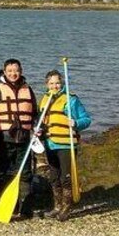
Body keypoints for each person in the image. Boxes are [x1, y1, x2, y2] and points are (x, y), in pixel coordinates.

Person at [0, 58, 38, 219]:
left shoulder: (27, 89)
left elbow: (34, 112)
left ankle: (25, 210)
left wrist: (36, 126)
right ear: (4, 71)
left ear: (20, 71)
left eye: (16, 70)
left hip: (24, 138)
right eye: (10, 71)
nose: (13, 74)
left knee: (25, 173)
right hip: (3, 138)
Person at [37, 69, 91, 221]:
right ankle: (57, 206)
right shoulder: (45, 99)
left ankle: (66, 207)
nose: (55, 86)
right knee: (54, 177)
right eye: (52, 83)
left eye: (57, 83)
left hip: (67, 145)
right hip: (50, 144)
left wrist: (75, 123)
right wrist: (40, 131)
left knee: (65, 178)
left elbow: (86, 119)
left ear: (62, 83)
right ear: (47, 85)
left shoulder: (71, 100)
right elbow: (43, 122)